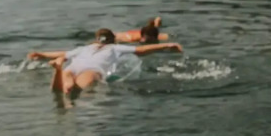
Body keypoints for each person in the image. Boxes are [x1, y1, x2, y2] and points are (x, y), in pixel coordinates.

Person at [27, 28, 183, 96]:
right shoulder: (115, 47)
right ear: (112, 40)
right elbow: (141, 50)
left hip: (73, 66)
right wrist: (167, 45)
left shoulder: (85, 47)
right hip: (92, 70)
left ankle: (59, 70)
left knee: (62, 86)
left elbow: (63, 54)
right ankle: (68, 90)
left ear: (97, 39)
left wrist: (41, 54)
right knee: (77, 91)